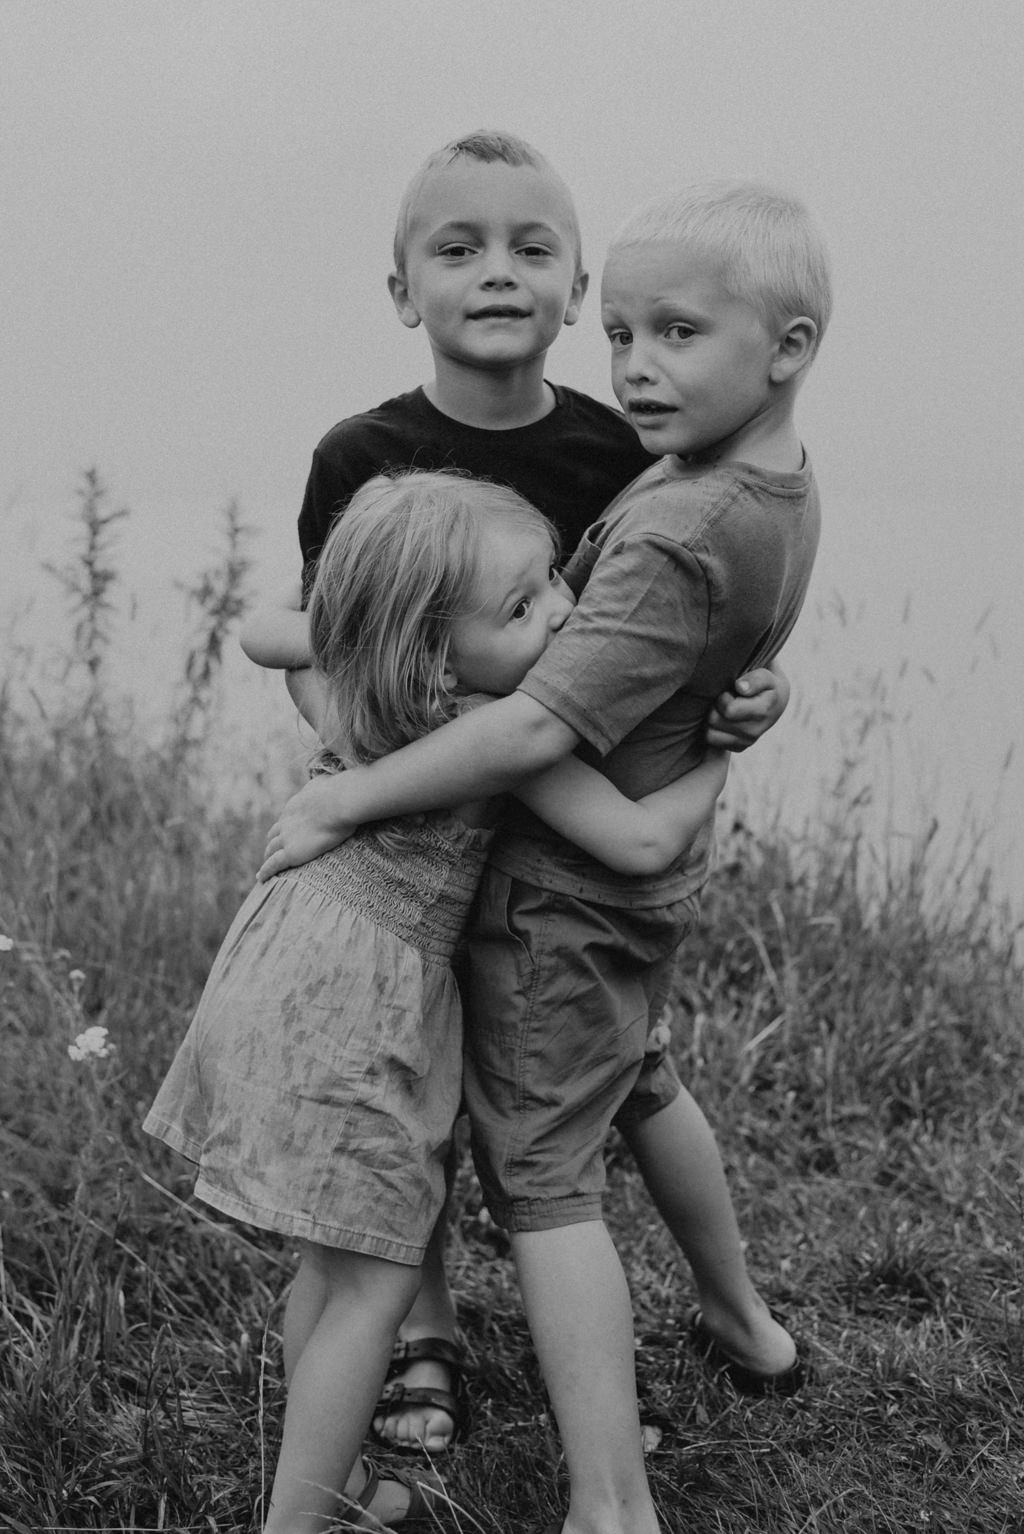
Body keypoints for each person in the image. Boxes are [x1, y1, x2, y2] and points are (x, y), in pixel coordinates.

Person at [258, 178, 832, 1534]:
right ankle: (741, 1324)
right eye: (627, 336)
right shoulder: (750, 482)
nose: (637, 365)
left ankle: (609, 1497)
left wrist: (351, 799)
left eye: (675, 335)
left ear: (787, 346)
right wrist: (731, 712)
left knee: (547, 1185)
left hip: (557, 903)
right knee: (638, 1074)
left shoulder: (674, 516)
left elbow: (531, 721)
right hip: (620, 886)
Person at [146, 470, 731, 1534]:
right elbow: (643, 841)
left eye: (552, 578)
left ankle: (334, 1490)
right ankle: (298, 1522)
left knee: (330, 1267)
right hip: (356, 1003)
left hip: (283, 959)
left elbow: (277, 638)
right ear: (431, 650)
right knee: (372, 1290)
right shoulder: (491, 728)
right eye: (520, 608)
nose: (562, 610)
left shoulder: (365, 688)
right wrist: (721, 758)